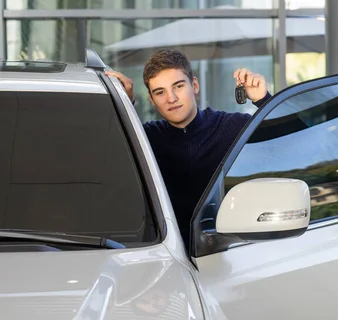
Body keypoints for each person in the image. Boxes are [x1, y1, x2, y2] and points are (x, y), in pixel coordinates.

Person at [106, 49, 271, 249]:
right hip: (164, 256)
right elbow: (102, 153)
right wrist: (123, 104)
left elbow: (296, 135)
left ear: (194, 85)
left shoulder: (231, 127)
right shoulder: (145, 138)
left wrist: (263, 100)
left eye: (178, 86)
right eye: (160, 92)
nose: (171, 98)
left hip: (230, 254)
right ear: (151, 99)